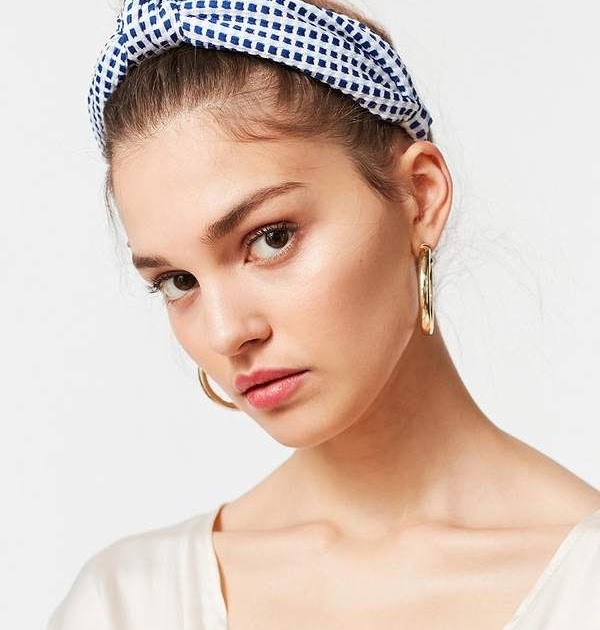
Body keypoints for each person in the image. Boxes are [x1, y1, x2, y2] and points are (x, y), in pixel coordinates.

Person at [48, 0, 600, 628]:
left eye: (271, 238)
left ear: (420, 197)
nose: (227, 333)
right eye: (179, 281)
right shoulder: (126, 603)